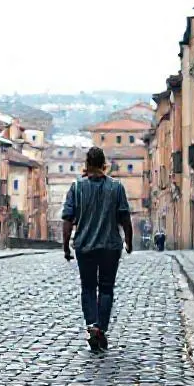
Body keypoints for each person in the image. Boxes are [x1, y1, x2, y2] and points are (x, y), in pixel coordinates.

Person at [61, 147, 133, 353]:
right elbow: (125, 218)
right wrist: (129, 241)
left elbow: (67, 220)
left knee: (88, 287)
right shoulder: (116, 187)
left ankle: (92, 324)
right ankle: (101, 327)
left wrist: (66, 247)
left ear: (87, 164)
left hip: (85, 246)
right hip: (110, 246)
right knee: (107, 288)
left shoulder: (76, 187)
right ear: (104, 164)